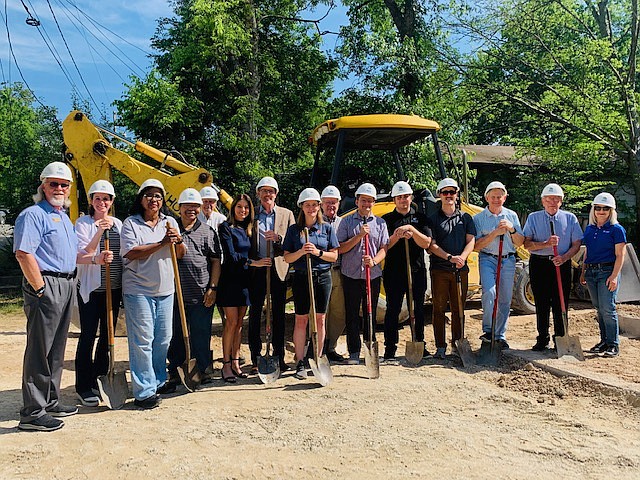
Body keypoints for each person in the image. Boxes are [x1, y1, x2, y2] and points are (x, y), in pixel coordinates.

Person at [14, 162, 111, 431]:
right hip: (47, 284)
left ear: (69, 188)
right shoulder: (33, 215)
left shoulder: (63, 218)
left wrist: (95, 258)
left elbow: (74, 256)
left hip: (68, 284)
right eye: (53, 183)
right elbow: (24, 253)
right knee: (39, 350)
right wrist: (39, 288)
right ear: (43, 185)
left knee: (56, 349)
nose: (59, 188)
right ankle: (33, 412)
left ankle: (51, 400)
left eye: (64, 184)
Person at [120, 179, 185, 409]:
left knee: (163, 340)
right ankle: (143, 391)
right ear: (141, 199)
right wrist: (161, 243)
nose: (154, 200)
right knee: (142, 341)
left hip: (165, 289)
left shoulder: (170, 222)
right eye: (149, 195)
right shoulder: (131, 224)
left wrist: (177, 241)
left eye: (158, 196)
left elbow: (179, 254)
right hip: (139, 290)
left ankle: (157, 381)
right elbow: (130, 253)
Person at [165, 189, 221, 390]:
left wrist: (212, 288)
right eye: (187, 206)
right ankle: (175, 371)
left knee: (200, 333)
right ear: (179, 208)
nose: (192, 209)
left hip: (200, 292)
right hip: (175, 292)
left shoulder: (208, 231)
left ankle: (203, 370)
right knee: (176, 334)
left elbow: (215, 262)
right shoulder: (170, 229)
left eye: (195, 206)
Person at [74, 180, 124, 407]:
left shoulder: (119, 224)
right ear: (91, 201)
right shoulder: (83, 223)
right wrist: (100, 230)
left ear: (112, 202)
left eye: (106, 198)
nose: (102, 202)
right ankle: (84, 385)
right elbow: (84, 253)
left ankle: (101, 378)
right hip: (92, 290)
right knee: (88, 336)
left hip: (113, 289)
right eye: (98, 198)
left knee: (107, 337)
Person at [283, 188, 339, 379]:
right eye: (307, 205)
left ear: (319, 207)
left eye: (314, 205)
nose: (311, 208)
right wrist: (301, 252)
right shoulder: (293, 230)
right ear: (302, 207)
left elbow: (334, 256)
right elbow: (287, 258)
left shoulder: (327, 229)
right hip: (301, 277)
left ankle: (316, 356)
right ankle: (300, 361)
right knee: (301, 319)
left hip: (322, 277)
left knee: (320, 319)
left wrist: (317, 253)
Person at [523, 183, 583, 351]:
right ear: (543, 201)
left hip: (561, 264)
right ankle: (542, 338)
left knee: (560, 302)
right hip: (539, 264)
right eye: (549, 199)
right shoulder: (533, 218)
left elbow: (577, 243)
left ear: (561, 202)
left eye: (556, 199)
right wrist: (545, 244)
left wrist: (564, 257)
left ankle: (561, 338)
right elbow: (526, 244)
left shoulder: (570, 218)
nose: (552, 202)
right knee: (541, 302)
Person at [336, 182, 389, 365]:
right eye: (363, 200)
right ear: (357, 201)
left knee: (370, 312)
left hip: (372, 275)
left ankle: (369, 346)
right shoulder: (346, 222)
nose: (366, 204)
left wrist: (374, 261)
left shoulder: (381, 224)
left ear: (374, 203)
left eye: (370, 201)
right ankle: (353, 351)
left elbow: (384, 248)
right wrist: (358, 236)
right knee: (352, 313)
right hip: (350, 274)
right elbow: (340, 248)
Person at [248, 177, 295, 373]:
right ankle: (256, 356)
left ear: (276, 194)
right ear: (258, 193)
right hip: (258, 268)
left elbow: (295, 240)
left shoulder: (287, 214)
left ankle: (279, 356)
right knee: (256, 312)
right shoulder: (251, 215)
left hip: (279, 267)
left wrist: (279, 238)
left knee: (278, 313)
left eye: (271, 191)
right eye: (264, 191)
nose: (268, 195)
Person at [381, 181, 432, 361]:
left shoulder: (421, 218)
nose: (403, 200)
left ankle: (419, 342)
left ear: (411, 197)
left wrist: (412, 230)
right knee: (392, 309)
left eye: (406, 196)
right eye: (400, 197)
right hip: (394, 272)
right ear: (394, 199)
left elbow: (426, 243)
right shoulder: (386, 220)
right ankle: (390, 347)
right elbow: (384, 245)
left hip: (416, 270)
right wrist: (397, 235)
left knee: (417, 309)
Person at [427, 178, 476, 360]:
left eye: (452, 192)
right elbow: (431, 245)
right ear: (439, 195)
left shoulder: (465, 218)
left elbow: (471, 240)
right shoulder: (432, 220)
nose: (449, 196)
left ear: (457, 195)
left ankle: (457, 344)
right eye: (445, 192)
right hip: (440, 269)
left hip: (460, 270)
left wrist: (462, 257)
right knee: (438, 309)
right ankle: (440, 346)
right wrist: (449, 257)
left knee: (459, 309)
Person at [473, 181, 524, 349]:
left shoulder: (512, 216)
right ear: (487, 197)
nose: (496, 199)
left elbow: (520, 243)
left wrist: (511, 230)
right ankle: (488, 331)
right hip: (487, 259)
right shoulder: (478, 218)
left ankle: (500, 334)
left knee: (504, 298)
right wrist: (495, 233)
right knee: (489, 293)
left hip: (508, 259)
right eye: (493, 196)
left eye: (499, 196)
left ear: (505, 197)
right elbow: (476, 246)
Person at [579, 193, 626, 357]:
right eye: (598, 208)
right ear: (593, 210)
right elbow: (587, 252)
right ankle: (604, 341)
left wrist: (614, 276)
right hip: (591, 272)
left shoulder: (617, 229)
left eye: (605, 208)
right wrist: (583, 271)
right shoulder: (590, 229)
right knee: (599, 308)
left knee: (608, 308)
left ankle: (613, 344)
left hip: (607, 271)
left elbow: (620, 255)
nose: (601, 211)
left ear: (611, 210)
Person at [217, 194, 257, 383]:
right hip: (230, 280)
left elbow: (254, 251)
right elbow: (231, 256)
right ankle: (225, 365)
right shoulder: (225, 228)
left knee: (240, 323)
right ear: (233, 209)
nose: (243, 210)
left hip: (245, 281)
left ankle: (235, 362)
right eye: (239, 207)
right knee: (231, 323)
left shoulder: (249, 229)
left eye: (246, 207)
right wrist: (252, 262)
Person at [320, 185, 346, 363]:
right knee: (320, 312)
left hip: (338, 271)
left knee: (338, 312)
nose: (331, 205)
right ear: (321, 203)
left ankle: (331, 347)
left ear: (339, 203)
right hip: (321, 271)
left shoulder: (343, 223)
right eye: (328, 202)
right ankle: (316, 348)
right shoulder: (315, 222)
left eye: (334, 202)